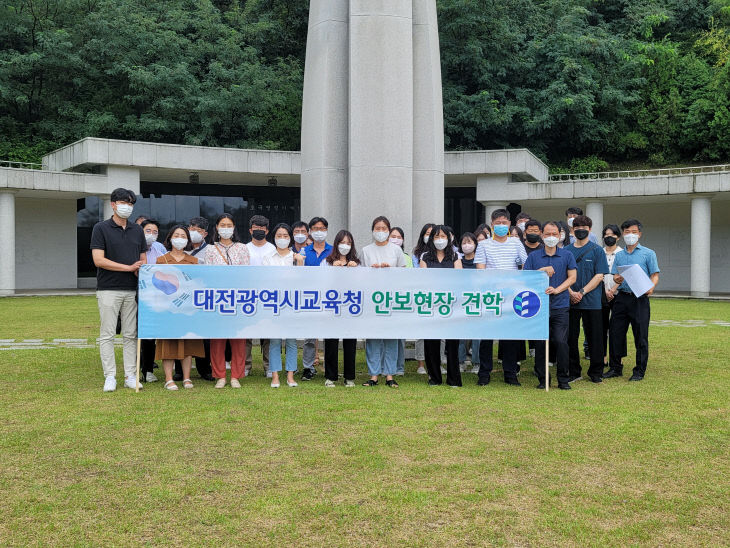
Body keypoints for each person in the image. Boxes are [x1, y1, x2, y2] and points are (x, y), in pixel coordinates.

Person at [90, 188, 146, 392]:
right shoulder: (101, 228)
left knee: (131, 334)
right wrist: (128, 268)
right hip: (108, 289)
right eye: (123, 202)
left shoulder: (137, 230)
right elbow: (99, 260)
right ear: (113, 204)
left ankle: (130, 375)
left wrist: (140, 270)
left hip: (132, 289)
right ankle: (110, 376)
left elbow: (143, 258)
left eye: (130, 203)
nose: (127, 207)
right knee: (107, 334)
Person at [474, 209, 527, 386]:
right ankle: (484, 373)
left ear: (510, 224)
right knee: (486, 336)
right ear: (492, 224)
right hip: (491, 295)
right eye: (498, 223)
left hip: (512, 295)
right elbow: (480, 268)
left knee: (510, 336)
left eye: (504, 223)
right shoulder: (484, 245)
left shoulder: (516, 243)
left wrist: (515, 282)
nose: (501, 226)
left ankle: (510, 373)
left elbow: (525, 265)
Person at [523, 221, 577, 389]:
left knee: (561, 342)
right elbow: (525, 277)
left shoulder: (567, 255)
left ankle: (563, 378)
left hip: (560, 305)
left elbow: (572, 277)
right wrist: (543, 270)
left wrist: (557, 290)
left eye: (554, 234)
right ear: (542, 235)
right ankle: (542, 378)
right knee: (540, 343)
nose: (551, 237)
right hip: (539, 307)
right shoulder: (534, 257)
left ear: (560, 235)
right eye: (547, 234)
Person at [604, 219, 660, 381]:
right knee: (615, 333)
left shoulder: (648, 253)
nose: (630, 235)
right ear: (622, 234)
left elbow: (655, 274)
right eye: (627, 232)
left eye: (634, 232)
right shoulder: (619, 255)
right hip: (622, 298)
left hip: (640, 298)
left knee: (640, 335)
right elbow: (615, 275)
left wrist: (651, 287)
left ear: (640, 234)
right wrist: (617, 278)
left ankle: (639, 370)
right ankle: (615, 368)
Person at [154, 225, 206, 390]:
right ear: (170, 238)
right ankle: (169, 379)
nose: (179, 238)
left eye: (183, 235)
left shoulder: (194, 261)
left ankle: (186, 378)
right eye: (176, 235)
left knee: (187, 344)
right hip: (167, 310)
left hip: (187, 310)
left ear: (188, 240)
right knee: (168, 343)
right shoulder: (161, 260)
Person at [203, 214, 250, 388]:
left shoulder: (243, 248)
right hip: (218, 299)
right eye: (222, 224)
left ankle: (236, 375)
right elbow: (208, 275)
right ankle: (220, 375)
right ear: (216, 227)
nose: (225, 228)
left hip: (238, 299)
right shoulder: (210, 249)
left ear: (234, 227)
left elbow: (247, 274)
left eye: (229, 225)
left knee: (238, 339)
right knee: (218, 339)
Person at [359, 216, 406, 387]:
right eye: (377, 228)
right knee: (372, 338)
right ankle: (373, 375)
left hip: (391, 298)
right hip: (372, 299)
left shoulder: (396, 250)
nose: (380, 231)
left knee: (391, 338)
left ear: (389, 230)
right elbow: (360, 275)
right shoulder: (366, 250)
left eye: (383, 228)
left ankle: (389, 374)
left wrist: (389, 270)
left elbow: (403, 274)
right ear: (372, 230)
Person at [565, 215, 610, 384]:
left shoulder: (597, 250)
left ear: (590, 229)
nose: (580, 230)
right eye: (577, 227)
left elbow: (599, 276)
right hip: (570, 301)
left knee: (595, 338)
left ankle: (596, 372)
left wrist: (581, 292)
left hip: (592, 301)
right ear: (572, 230)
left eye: (584, 227)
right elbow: (563, 275)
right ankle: (573, 371)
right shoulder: (566, 251)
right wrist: (570, 292)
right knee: (570, 337)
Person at [419, 226, 463, 387]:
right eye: (436, 237)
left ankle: (454, 379)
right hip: (431, 304)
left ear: (449, 239)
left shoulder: (455, 256)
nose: (440, 240)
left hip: (451, 304)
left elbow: (459, 278)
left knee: (452, 343)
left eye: (443, 236)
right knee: (431, 343)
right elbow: (424, 280)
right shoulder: (425, 256)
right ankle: (434, 378)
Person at [263, 223, 304, 388]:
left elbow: (302, 281)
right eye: (279, 236)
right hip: (274, 303)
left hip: (292, 303)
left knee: (292, 341)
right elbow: (266, 280)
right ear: (274, 238)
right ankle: (274, 376)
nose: (282, 239)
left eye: (285, 236)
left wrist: (299, 263)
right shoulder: (268, 258)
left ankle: (290, 375)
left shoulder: (296, 257)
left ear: (290, 238)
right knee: (274, 341)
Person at [321, 230, 361, 387]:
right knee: (331, 342)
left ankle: (349, 376)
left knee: (350, 342)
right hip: (332, 307)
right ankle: (330, 376)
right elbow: (320, 282)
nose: (345, 246)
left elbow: (362, 284)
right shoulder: (327, 262)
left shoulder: (357, 263)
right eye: (342, 242)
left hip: (350, 307)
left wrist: (354, 270)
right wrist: (333, 270)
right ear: (336, 244)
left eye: (348, 243)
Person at [299, 217, 333, 381]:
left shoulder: (333, 251)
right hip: (310, 297)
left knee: (329, 335)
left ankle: (330, 366)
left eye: (322, 228)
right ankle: (308, 367)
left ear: (326, 230)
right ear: (310, 232)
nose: (319, 231)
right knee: (310, 336)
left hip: (329, 298)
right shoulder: (304, 252)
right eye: (315, 228)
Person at [244, 215, 275, 377]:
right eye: (256, 229)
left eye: (262, 229)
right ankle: (246, 365)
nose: (259, 232)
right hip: (248, 295)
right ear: (250, 230)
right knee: (246, 334)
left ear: (267, 231)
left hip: (268, 296)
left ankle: (268, 366)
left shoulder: (273, 249)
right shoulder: (244, 248)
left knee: (268, 333)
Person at [138, 219, 166, 383]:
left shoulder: (159, 248)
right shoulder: (133, 247)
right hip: (138, 294)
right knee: (137, 334)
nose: (151, 234)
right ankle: (135, 369)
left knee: (150, 335)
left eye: (155, 232)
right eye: (148, 231)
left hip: (156, 296)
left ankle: (148, 369)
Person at [411, 223, 434, 375]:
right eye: (427, 233)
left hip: (438, 296)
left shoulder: (444, 253)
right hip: (422, 294)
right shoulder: (417, 253)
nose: (429, 236)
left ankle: (438, 362)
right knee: (421, 332)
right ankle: (421, 363)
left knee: (439, 332)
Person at [458, 232, 481, 374]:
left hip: (477, 300)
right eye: (464, 243)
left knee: (477, 335)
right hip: (461, 301)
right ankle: (460, 362)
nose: (467, 245)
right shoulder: (458, 261)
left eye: (470, 242)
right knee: (460, 334)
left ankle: (477, 362)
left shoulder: (480, 262)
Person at [601, 224, 623, 367]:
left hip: (619, 294)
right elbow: (597, 273)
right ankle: (603, 357)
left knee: (617, 328)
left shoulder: (623, 253)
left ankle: (617, 358)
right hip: (601, 294)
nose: (609, 237)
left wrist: (614, 289)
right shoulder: (599, 252)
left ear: (618, 237)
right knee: (601, 327)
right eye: (607, 235)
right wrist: (605, 290)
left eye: (612, 234)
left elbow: (624, 274)